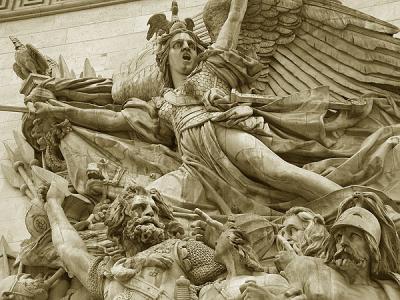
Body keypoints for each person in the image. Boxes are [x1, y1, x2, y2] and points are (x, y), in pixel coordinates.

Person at [32, 0, 343, 216]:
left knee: (277, 171)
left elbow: (234, 19)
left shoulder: (212, 70)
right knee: (147, 197)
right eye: (179, 44)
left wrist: (237, 6)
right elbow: (114, 120)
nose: (186, 48)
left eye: (192, 46)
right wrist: (64, 112)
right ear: (166, 55)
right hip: (194, 166)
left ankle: (352, 203)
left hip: (222, 135)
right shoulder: (160, 103)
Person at [44, 181, 225, 300]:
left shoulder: (182, 249)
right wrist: (52, 202)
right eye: (140, 207)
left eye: (154, 210)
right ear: (120, 218)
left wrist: (221, 245)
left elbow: (231, 282)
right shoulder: (106, 275)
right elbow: (67, 247)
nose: (149, 213)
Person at [241, 190, 400, 300]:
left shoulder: (392, 289)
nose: (343, 242)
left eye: (354, 236)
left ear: (372, 246)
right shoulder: (311, 268)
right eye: (338, 237)